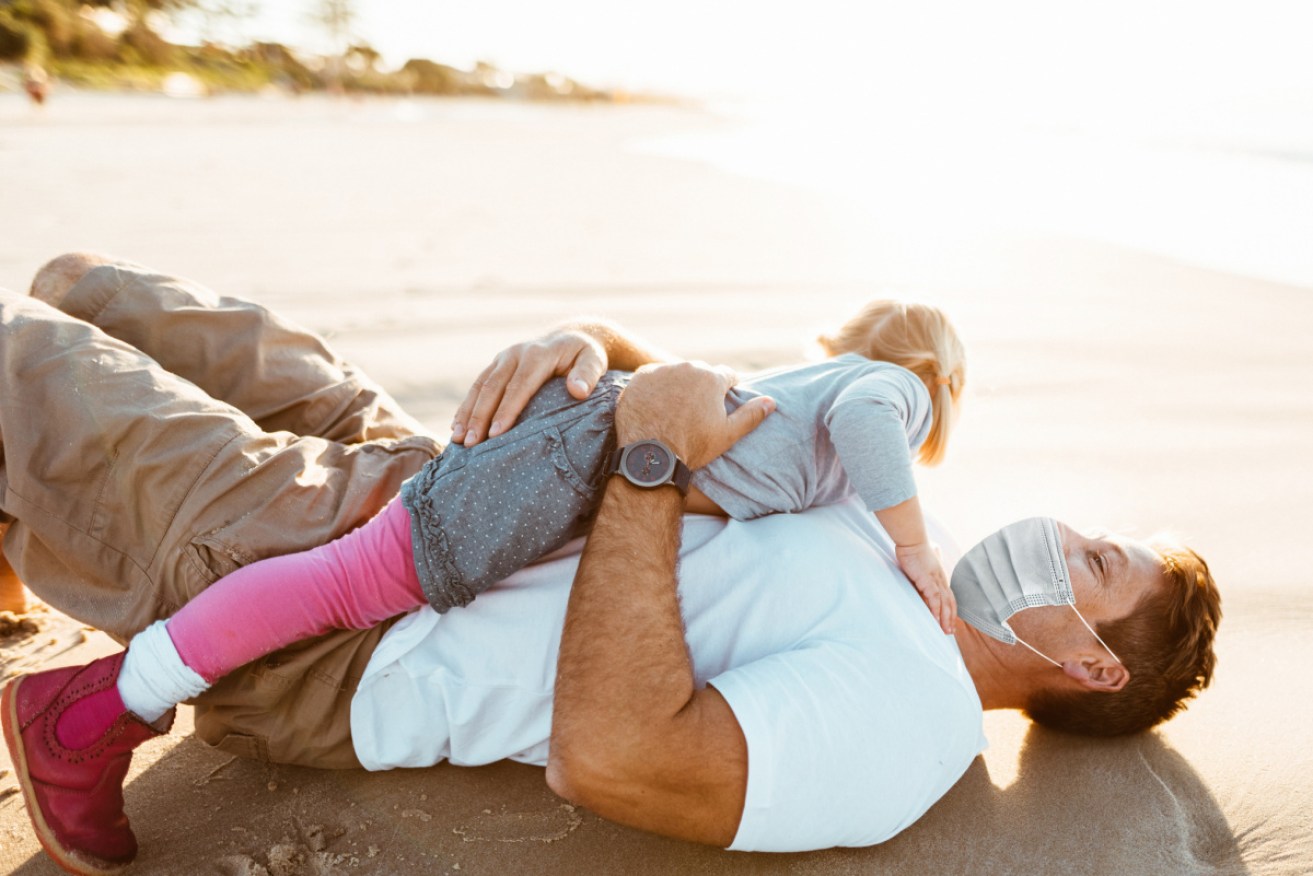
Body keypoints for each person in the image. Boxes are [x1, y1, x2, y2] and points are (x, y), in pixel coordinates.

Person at [0, 255, 1221, 875]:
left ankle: (82, 689)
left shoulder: (909, 724)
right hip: (445, 476)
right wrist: (588, 347)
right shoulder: (921, 547)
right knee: (89, 290)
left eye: (1094, 559)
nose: (1062, 532)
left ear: (1088, 664)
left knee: (17, 349)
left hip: (352, 623)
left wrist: (642, 467)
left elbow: (619, 755)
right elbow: (734, 416)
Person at [58, 297, 964, 758]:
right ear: (938, 375)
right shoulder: (896, 388)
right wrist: (915, 546)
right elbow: (868, 426)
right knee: (354, 580)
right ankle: (114, 699)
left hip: (568, 447)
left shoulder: (820, 391)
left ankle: (132, 676)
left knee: (352, 570)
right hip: (566, 455)